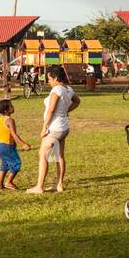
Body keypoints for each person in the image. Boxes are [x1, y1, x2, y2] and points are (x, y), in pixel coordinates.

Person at [26, 65, 81, 195]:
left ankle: (39, 187)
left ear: (55, 78)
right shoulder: (68, 89)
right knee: (59, 156)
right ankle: (59, 184)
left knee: (42, 155)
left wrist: (44, 128)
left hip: (54, 128)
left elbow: (51, 110)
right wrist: (65, 111)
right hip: (64, 128)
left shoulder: (57, 90)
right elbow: (77, 101)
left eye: (49, 79)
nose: (48, 81)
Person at [0, 99, 32, 190]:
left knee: (5, 163)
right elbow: (14, 134)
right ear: (6, 110)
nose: (13, 107)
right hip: (7, 145)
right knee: (16, 163)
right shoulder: (10, 120)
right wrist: (23, 144)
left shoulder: (1, 118)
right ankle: (9, 182)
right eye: (11, 106)